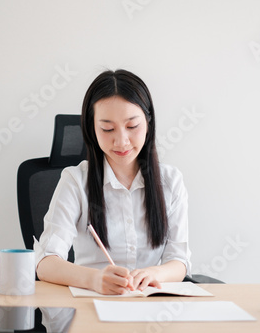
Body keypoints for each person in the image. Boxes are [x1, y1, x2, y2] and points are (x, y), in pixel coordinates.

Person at [34, 69, 191, 295]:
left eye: (132, 126)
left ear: (148, 123)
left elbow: (179, 260)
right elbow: (46, 262)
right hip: (91, 306)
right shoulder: (76, 181)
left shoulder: (170, 182)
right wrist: (95, 279)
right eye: (107, 128)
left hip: (153, 308)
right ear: (91, 128)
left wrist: (154, 274)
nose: (121, 141)